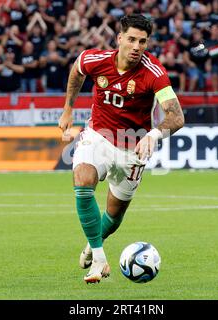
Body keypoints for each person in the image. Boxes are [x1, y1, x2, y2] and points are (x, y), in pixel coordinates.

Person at [58, 14, 184, 284]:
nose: (137, 46)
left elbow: (176, 116)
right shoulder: (96, 60)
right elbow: (77, 70)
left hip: (133, 148)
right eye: (131, 39)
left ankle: (93, 244)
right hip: (98, 136)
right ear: (119, 39)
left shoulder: (153, 73)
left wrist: (153, 134)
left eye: (142, 41)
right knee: (82, 179)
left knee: (113, 218)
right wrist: (68, 108)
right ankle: (100, 261)